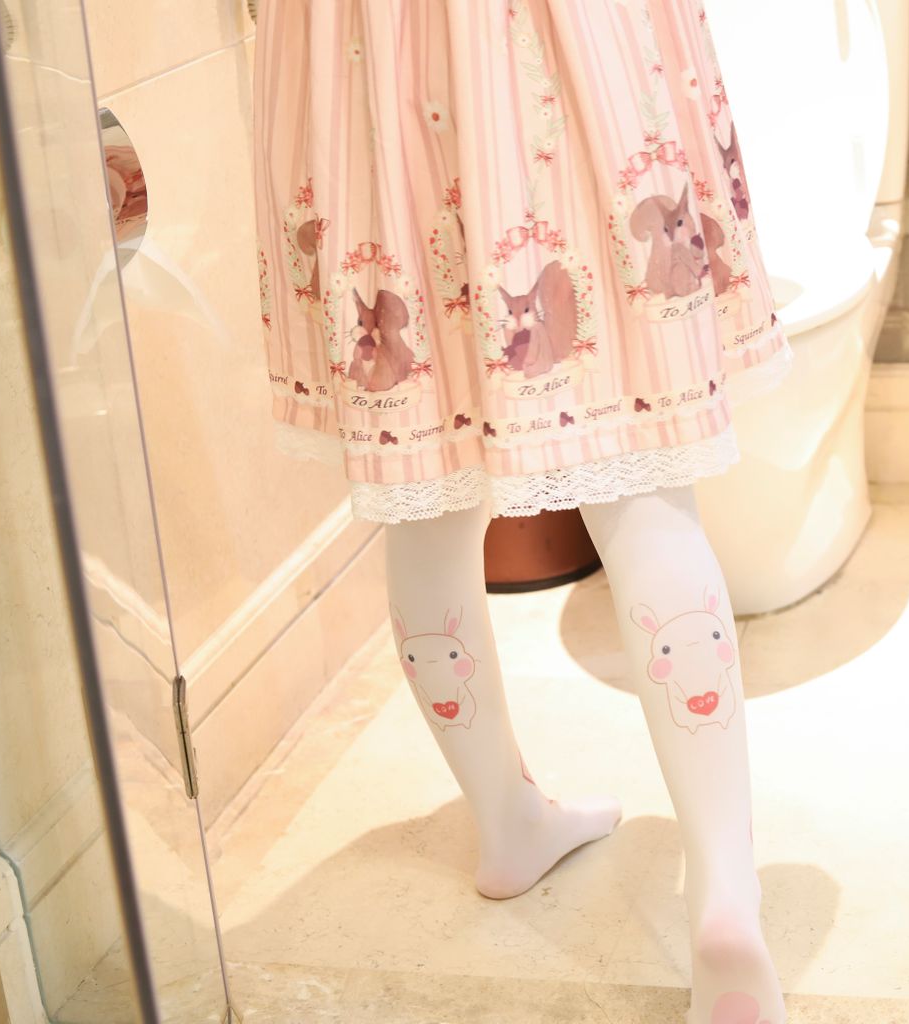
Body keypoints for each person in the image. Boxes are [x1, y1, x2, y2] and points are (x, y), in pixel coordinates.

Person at [251, 2, 791, 1020]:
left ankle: (505, 822)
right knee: (639, 474)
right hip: (554, 51)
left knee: (422, 488)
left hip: (358, 55)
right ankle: (726, 895)